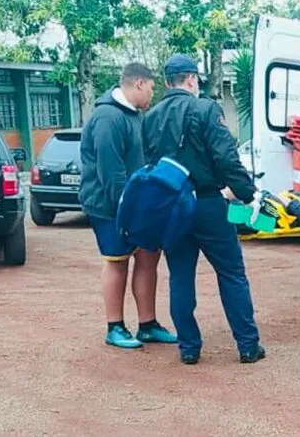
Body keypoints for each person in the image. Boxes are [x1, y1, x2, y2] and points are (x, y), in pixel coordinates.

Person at [143, 53, 266, 365]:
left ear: (167, 81)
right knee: (231, 273)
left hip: (171, 207)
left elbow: (149, 164)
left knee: (180, 276)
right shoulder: (205, 108)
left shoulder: (151, 116)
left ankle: (188, 348)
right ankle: (248, 346)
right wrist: (248, 193)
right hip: (209, 203)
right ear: (191, 79)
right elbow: (226, 158)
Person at [79, 63, 177, 349]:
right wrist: (126, 212)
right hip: (111, 208)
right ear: (139, 84)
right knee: (117, 261)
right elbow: (111, 172)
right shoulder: (108, 117)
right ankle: (115, 326)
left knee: (148, 257)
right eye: (151, 88)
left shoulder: (135, 116)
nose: (152, 94)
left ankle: (147, 324)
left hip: (137, 206)